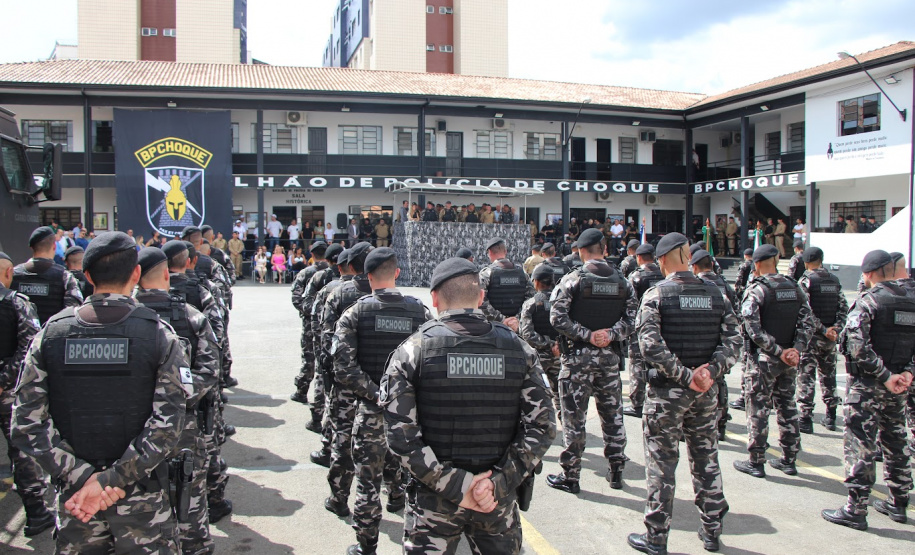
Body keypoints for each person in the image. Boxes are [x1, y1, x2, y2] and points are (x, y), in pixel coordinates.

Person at [11, 231, 189, 553]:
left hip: (77, 505)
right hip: (142, 505)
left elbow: (26, 424)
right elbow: (169, 427)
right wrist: (109, 482)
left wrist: (83, 478)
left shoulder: (50, 334)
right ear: (136, 273)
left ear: (88, 276)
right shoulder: (160, 336)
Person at [380, 257, 556, 554]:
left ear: (434, 298)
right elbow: (544, 426)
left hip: (434, 503)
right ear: (481, 296)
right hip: (495, 502)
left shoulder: (413, 351)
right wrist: (498, 483)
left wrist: (455, 486)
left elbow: (400, 436)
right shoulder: (519, 349)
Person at [627, 233, 740, 555]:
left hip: (667, 397)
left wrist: (685, 376)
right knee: (706, 461)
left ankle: (656, 539)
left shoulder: (658, 295)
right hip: (705, 395)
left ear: (662, 260)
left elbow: (649, 346)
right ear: (687, 256)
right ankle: (712, 533)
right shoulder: (717, 295)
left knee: (661, 466)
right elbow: (734, 343)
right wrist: (709, 373)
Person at [332, 248, 433, 555]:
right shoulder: (420, 312)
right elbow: (432, 362)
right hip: (409, 413)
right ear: (397, 273)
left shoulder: (355, 313)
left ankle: (366, 546)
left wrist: (377, 393)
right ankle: (401, 507)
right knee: (412, 473)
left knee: (367, 481)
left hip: (371, 410)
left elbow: (343, 367)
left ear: (368, 277)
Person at [135, 247, 220, 554]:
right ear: (167, 275)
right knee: (190, 499)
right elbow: (210, 370)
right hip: (183, 425)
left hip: (133, 429)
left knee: (139, 505)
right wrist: (176, 397)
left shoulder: (121, 318)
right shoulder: (189, 315)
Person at [822, 250, 914, 530]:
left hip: (868, 387)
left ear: (870, 273)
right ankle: (898, 503)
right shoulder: (911, 302)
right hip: (899, 386)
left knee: (861, 445)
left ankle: (856, 509)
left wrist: (885, 376)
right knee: (896, 442)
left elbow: (856, 345)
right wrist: (907, 373)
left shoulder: (869, 301)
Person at [546, 228, 637, 494]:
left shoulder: (573, 280)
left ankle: (571, 476)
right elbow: (633, 320)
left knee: (575, 418)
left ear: (582, 251)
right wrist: (608, 335)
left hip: (577, 360)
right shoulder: (624, 282)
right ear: (605, 250)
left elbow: (557, 318)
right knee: (613, 415)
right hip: (609, 358)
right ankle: (617, 471)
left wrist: (587, 335)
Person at [733, 244, 813, 479]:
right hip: (788, 361)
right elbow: (808, 322)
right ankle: (789, 459)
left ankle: (756, 461)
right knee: (787, 406)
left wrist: (778, 351)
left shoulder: (757, 290)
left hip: (763, 361)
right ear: (776, 260)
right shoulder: (794, 287)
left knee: (758, 409)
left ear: (756, 265)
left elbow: (753, 330)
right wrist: (794, 350)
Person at [319, 244, 374, 518]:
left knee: (343, 440)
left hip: (346, 383)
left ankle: (339, 499)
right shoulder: (389, 296)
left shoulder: (338, 293)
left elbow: (326, 339)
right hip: (381, 387)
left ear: (350, 267)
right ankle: (395, 495)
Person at [0, 252, 53, 537]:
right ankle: (35, 513)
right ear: (8, 273)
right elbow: (29, 348)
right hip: (8, 392)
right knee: (21, 450)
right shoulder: (15, 303)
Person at [796, 247, 848, 434]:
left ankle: (805, 418)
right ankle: (831, 416)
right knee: (829, 376)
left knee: (806, 377)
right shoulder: (834, 280)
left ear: (806, 262)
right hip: (829, 339)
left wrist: (824, 330)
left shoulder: (806, 280)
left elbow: (805, 310)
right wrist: (835, 330)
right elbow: (843, 307)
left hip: (811, 338)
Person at [690, 249, 738, 441]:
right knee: (719, 384)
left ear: (694, 266)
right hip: (720, 345)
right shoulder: (724, 285)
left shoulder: (695, 286)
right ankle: (721, 424)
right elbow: (735, 316)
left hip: (701, 344)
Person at [622, 243, 664, 419]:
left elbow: (628, 302)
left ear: (638, 257)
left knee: (637, 365)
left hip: (640, 328)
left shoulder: (636, 276)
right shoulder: (663, 274)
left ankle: (638, 403)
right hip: (662, 326)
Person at [519, 263, 564, 423]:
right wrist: (556, 344)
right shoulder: (562, 303)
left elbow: (527, 334)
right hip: (560, 354)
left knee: (534, 391)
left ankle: (538, 424)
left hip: (538, 358)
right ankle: (566, 425)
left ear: (536, 282)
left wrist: (546, 343)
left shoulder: (531, 304)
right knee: (561, 393)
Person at [12, 226, 84, 325]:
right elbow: (73, 314)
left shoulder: (13, 274)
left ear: (31, 248)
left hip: (21, 338)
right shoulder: (65, 277)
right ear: (54, 246)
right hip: (52, 336)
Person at [290, 241, 330, 404]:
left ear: (312, 254)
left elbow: (296, 298)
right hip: (332, 323)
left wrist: (310, 313)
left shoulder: (306, 273)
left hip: (309, 323)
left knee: (309, 357)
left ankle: (302, 391)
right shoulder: (335, 272)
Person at [478, 238, 535, 332]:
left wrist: (501, 319)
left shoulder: (486, 273)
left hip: (494, 329)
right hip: (518, 328)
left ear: (489, 252)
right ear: (505, 251)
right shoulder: (522, 273)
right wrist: (517, 318)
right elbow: (531, 298)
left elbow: (480, 300)